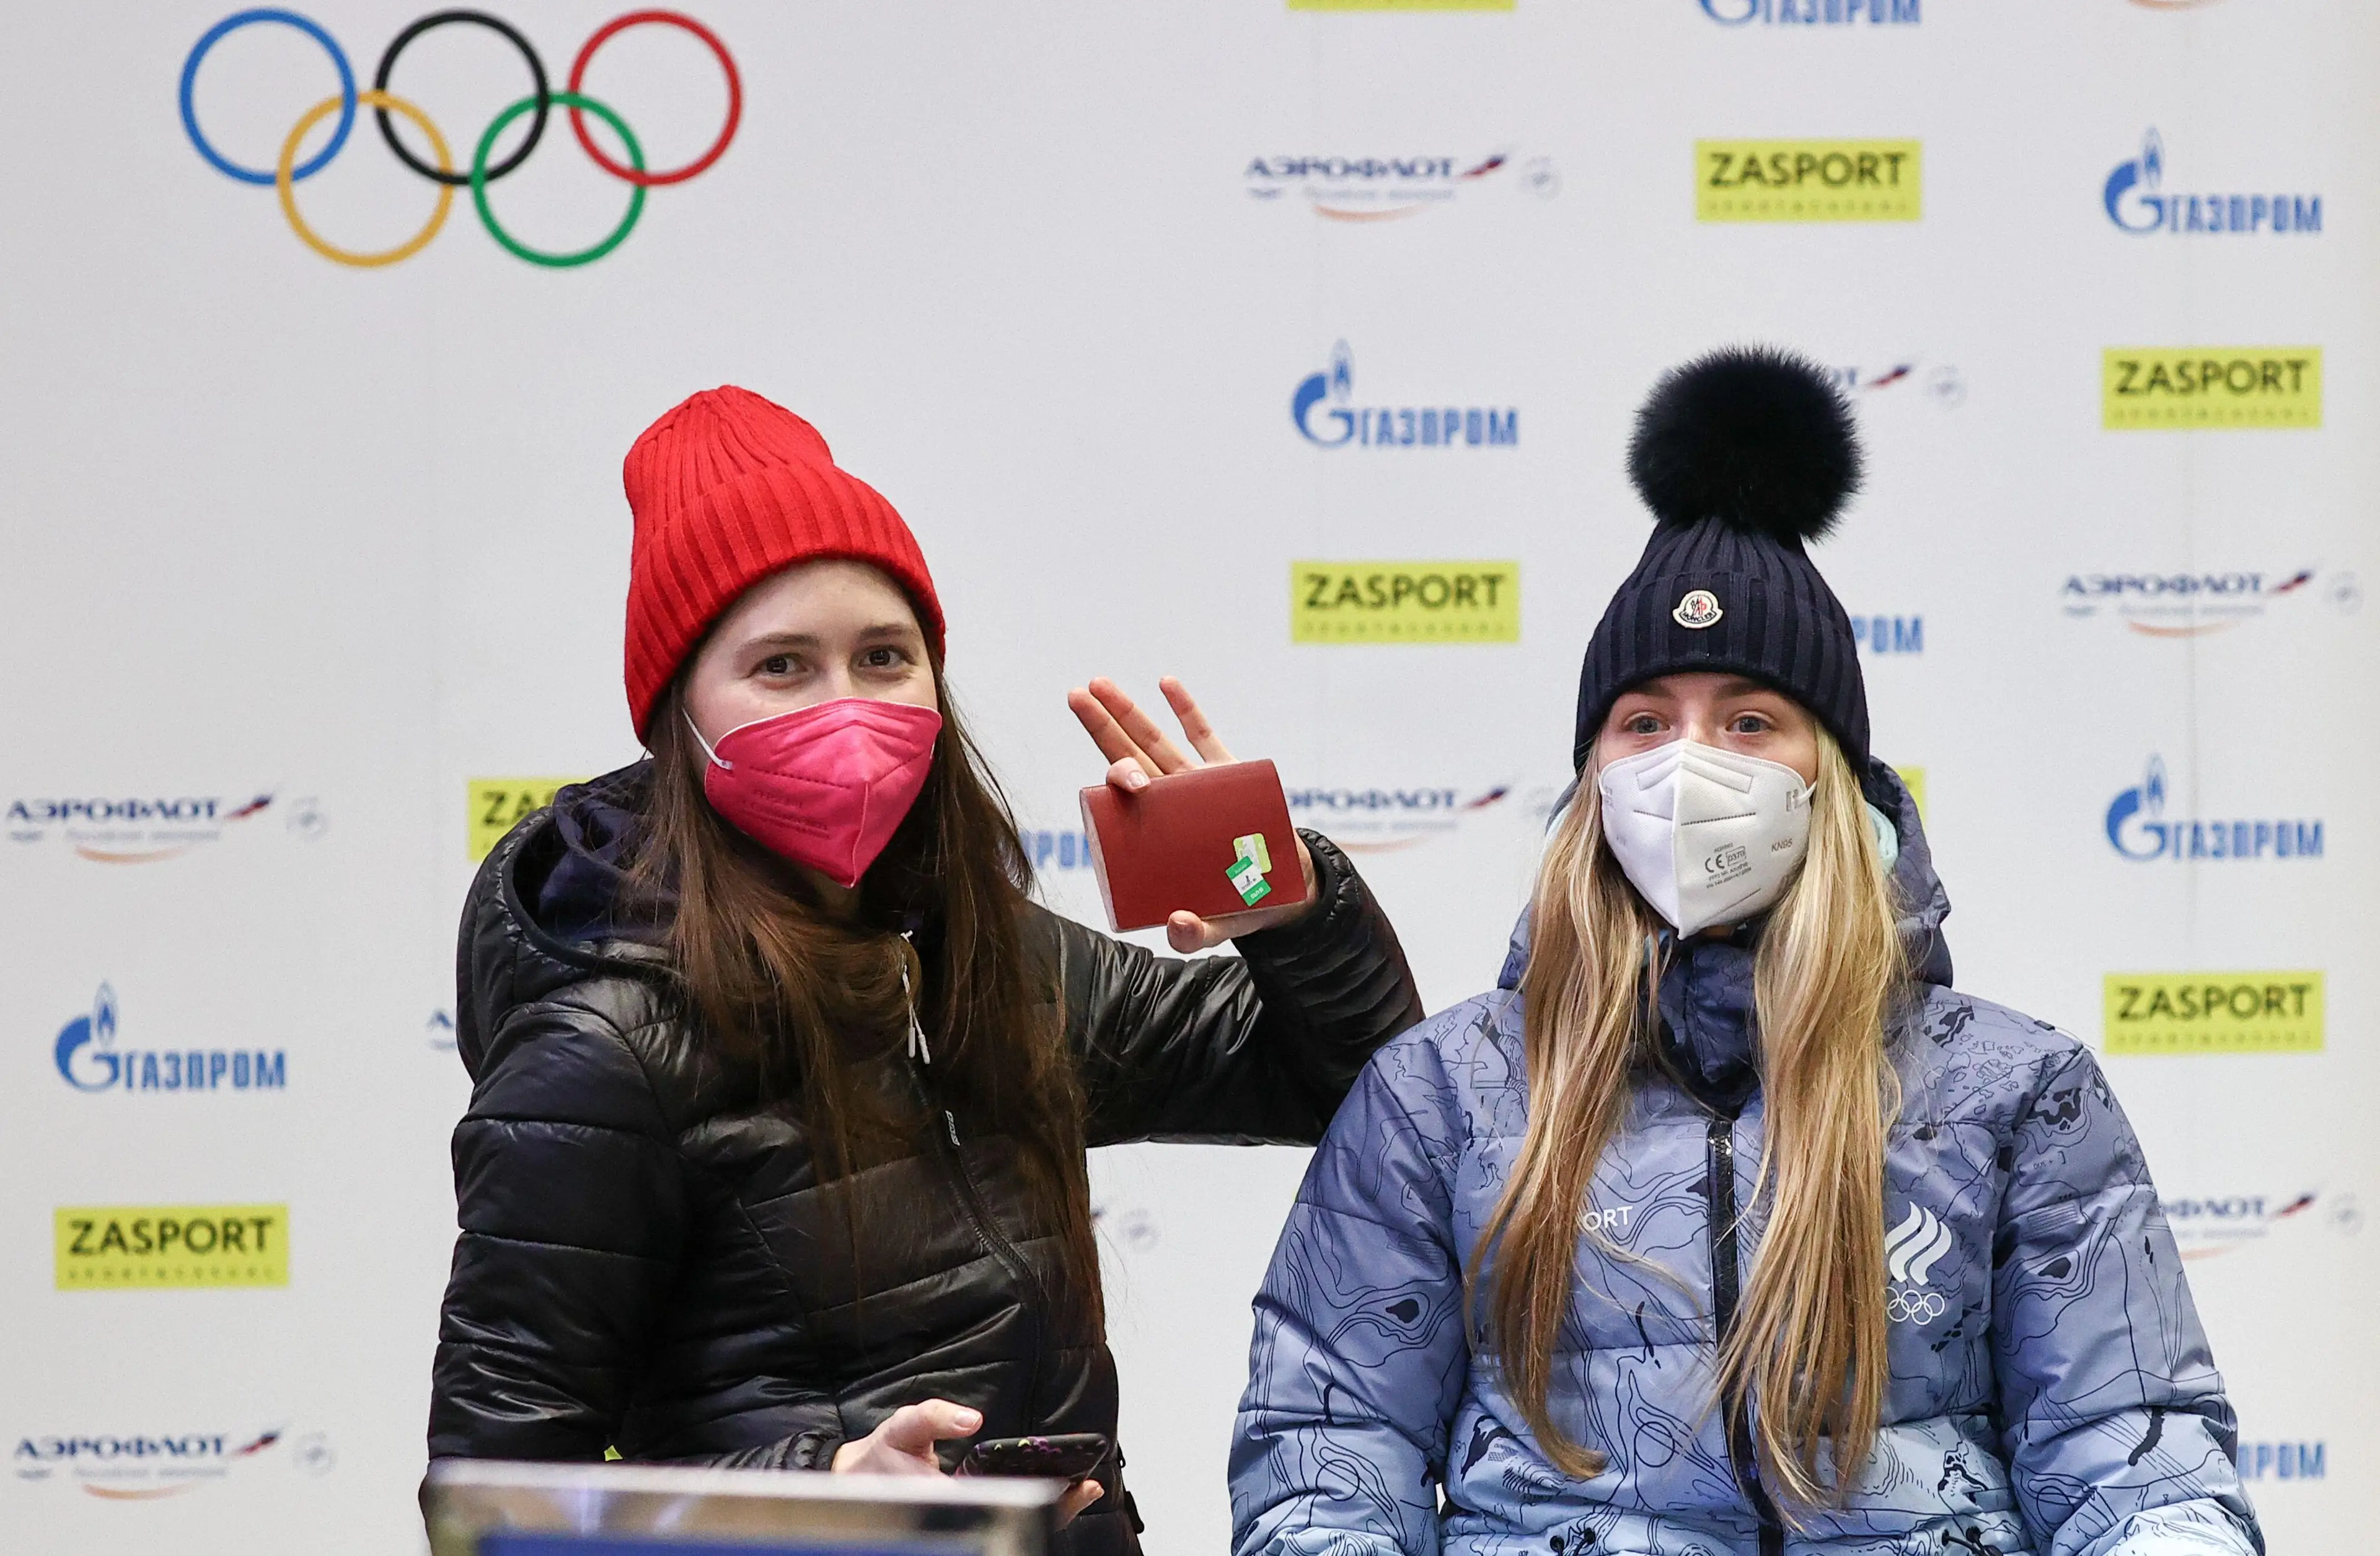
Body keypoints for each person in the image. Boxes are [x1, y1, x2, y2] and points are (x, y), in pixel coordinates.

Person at [1229, 350, 2262, 1556]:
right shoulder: (1440, 1092)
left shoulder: (2017, 1088)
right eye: (1647, 720)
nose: (1692, 760)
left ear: (1835, 775)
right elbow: (1328, 1461)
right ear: (1593, 775)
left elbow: (2129, 1450)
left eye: (1751, 720)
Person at [428, 386, 1423, 1556]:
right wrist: (829, 1492)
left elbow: (1355, 1088)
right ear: (680, 718)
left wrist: (1277, 892)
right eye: (783, 665)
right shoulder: (603, 1048)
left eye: (883, 656)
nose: (847, 705)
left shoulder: (978, 957)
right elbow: (500, 1501)